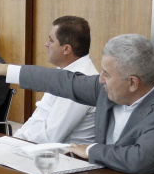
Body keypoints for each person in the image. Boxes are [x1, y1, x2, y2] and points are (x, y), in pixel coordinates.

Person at [0, 34, 154, 174]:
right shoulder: (107, 88)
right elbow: (64, 81)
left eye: (106, 74)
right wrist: (4, 70)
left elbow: (138, 159)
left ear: (133, 82)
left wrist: (91, 150)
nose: (100, 79)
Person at [14, 16, 97, 145]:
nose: (46, 44)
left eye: (51, 40)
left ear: (66, 49)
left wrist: (15, 144)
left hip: (66, 159)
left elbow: (48, 137)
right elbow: (38, 117)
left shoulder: (82, 80)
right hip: (38, 150)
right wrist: (14, 139)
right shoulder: (63, 72)